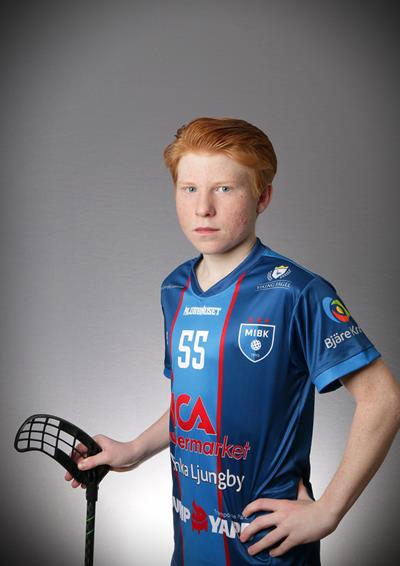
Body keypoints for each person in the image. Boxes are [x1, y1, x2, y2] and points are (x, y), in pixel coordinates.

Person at [65, 117, 400, 565]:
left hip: (267, 547)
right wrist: (133, 450)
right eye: (189, 188)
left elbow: (382, 398)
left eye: (224, 189)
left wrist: (328, 512)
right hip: (191, 540)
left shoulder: (297, 291)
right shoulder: (174, 288)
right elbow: (196, 403)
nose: (203, 208)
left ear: (262, 197)